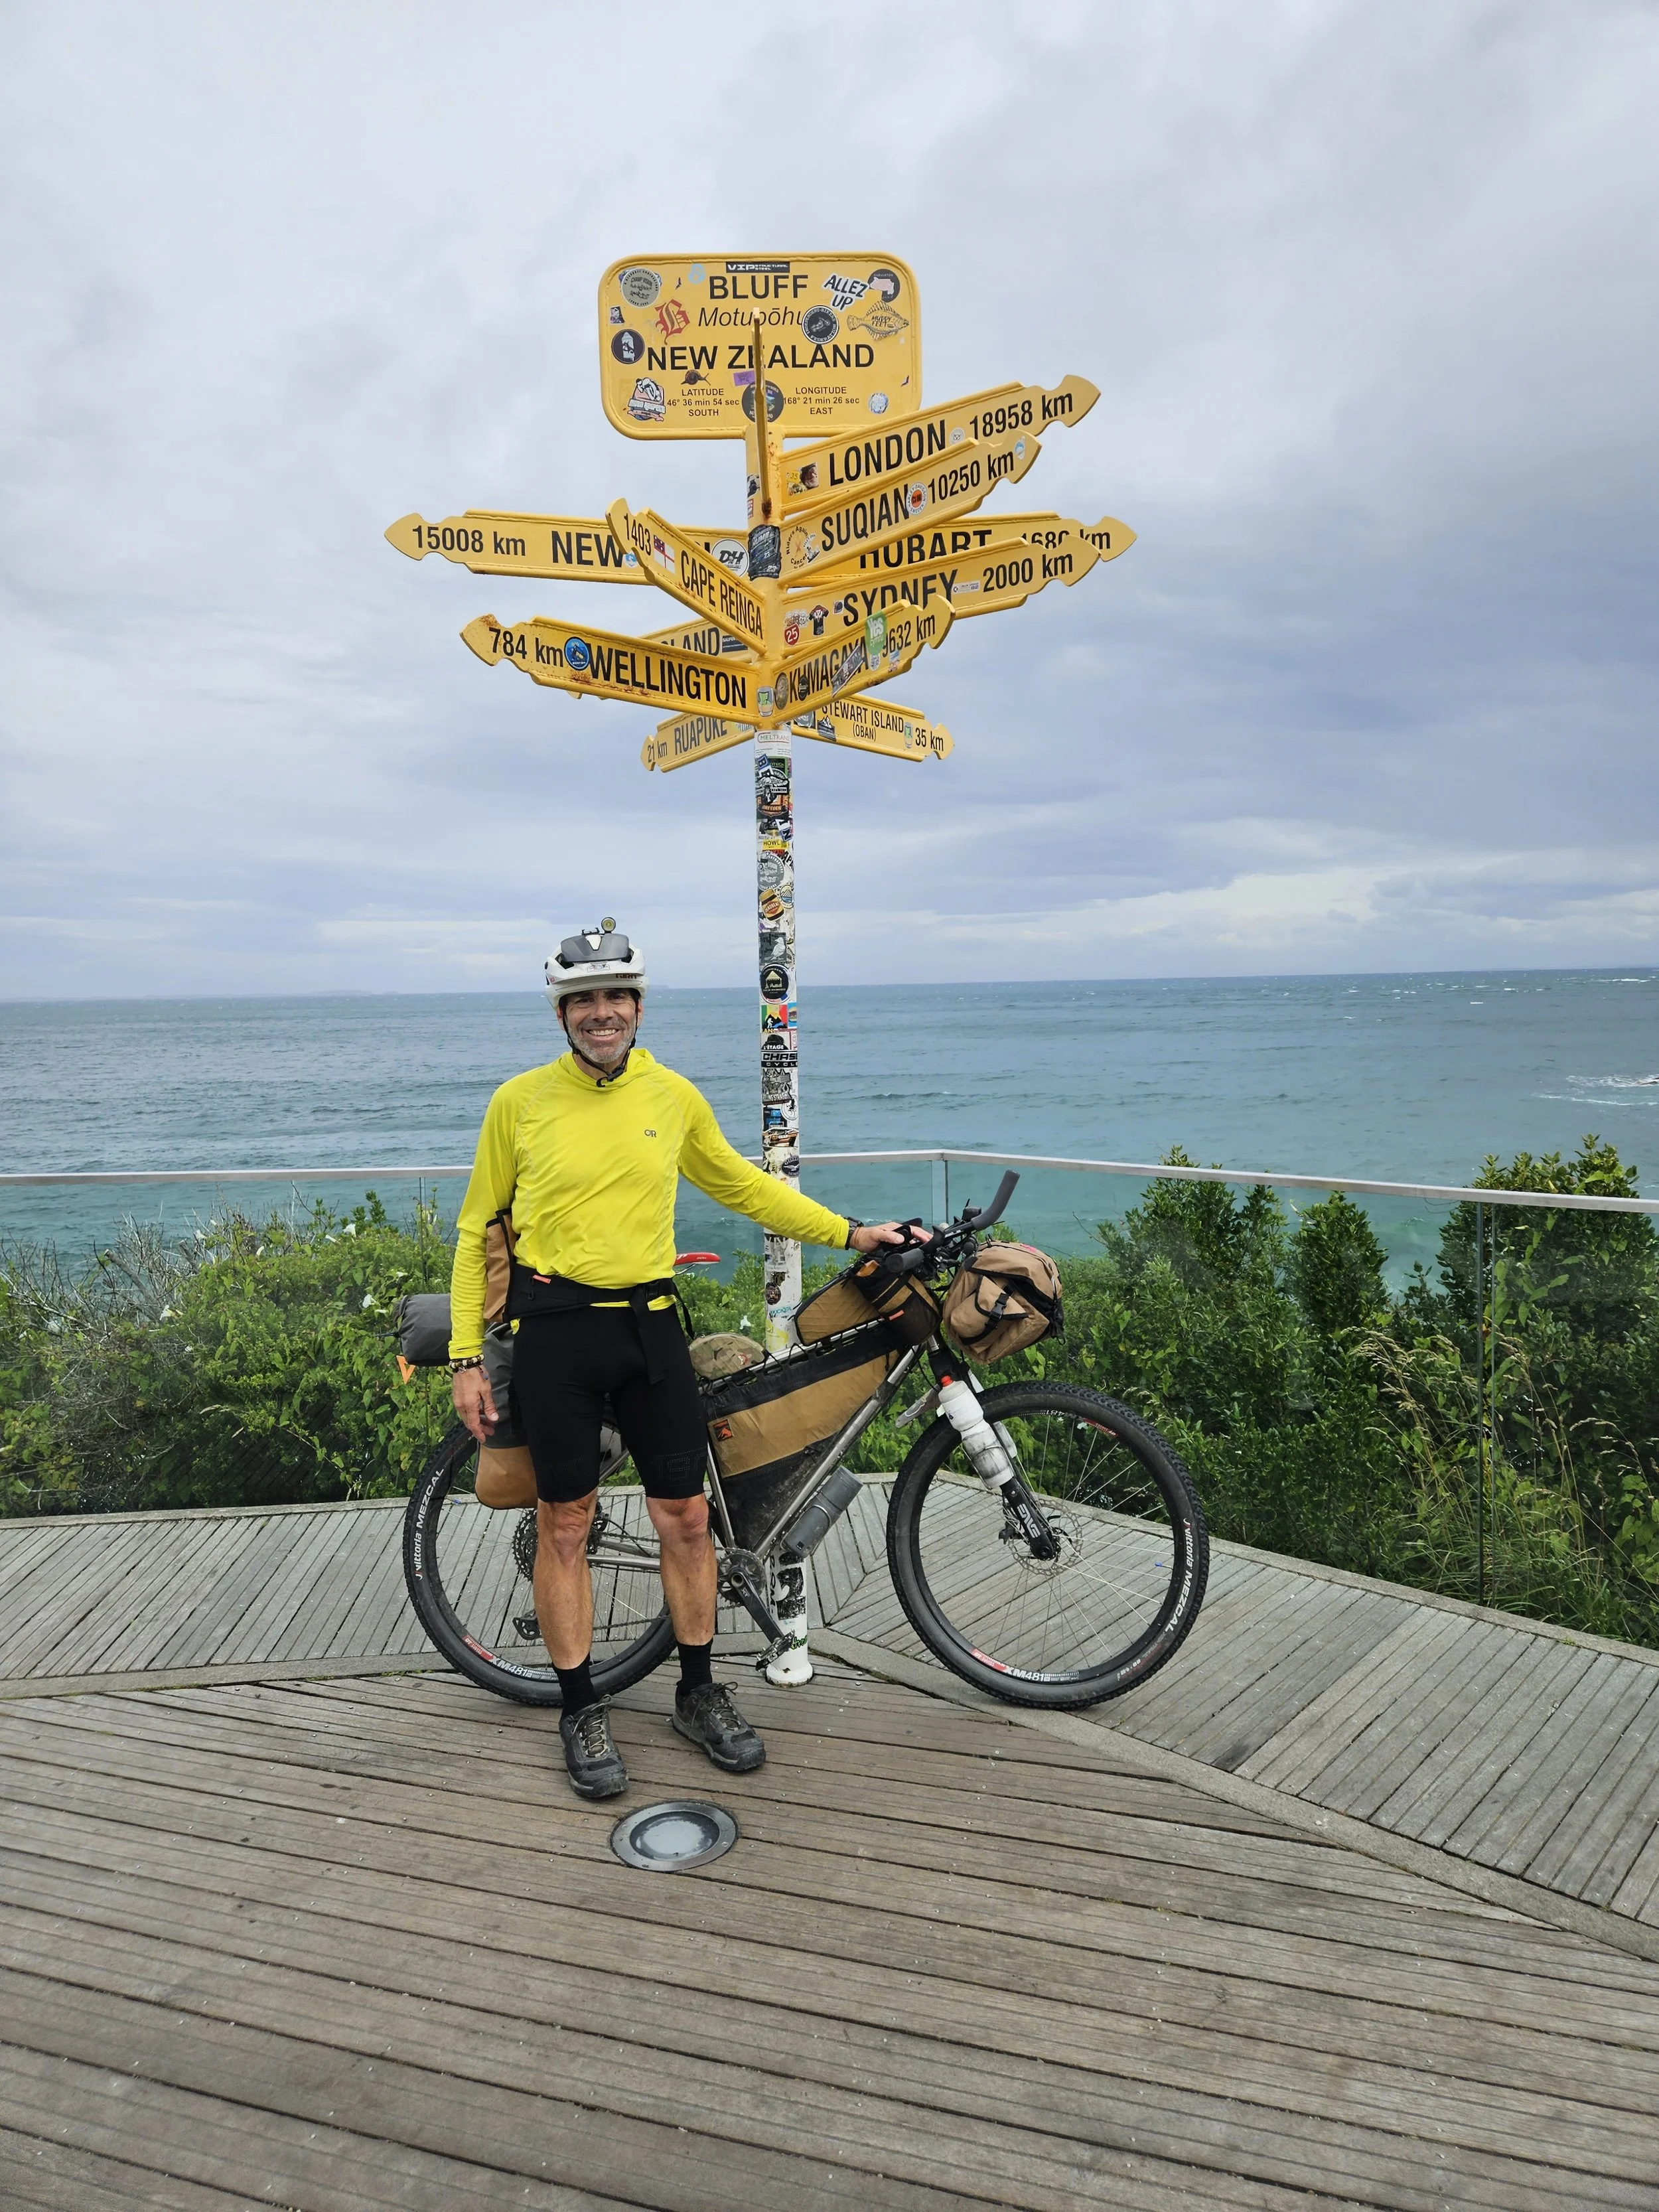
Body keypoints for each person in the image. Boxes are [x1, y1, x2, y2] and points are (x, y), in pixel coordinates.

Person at [449, 921, 904, 1801]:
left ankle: (697, 1693)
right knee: (566, 1524)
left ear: (638, 1007)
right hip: (557, 1334)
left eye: (616, 997)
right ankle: (580, 1706)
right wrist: (468, 1355)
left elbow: (741, 1184)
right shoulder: (519, 1103)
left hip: (650, 1328)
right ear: (561, 1014)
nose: (602, 1012)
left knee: (688, 1519)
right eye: (583, 1000)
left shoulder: (673, 1095)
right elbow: (476, 1232)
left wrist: (851, 1233)